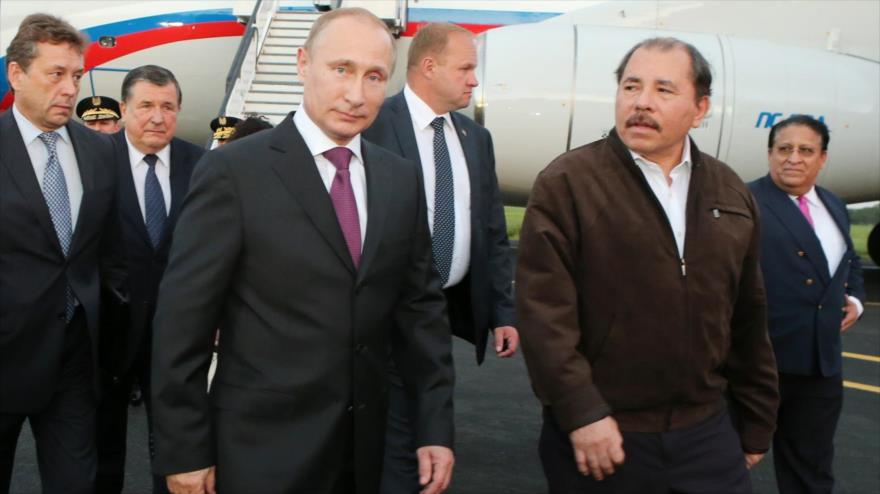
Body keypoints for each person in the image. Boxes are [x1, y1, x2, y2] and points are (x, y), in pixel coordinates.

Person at [149, 8, 455, 494]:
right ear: (302, 63)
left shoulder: (399, 179)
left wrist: (435, 427)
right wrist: (184, 449)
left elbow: (421, 310)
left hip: (361, 452)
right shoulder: (233, 173)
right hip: (257, 453)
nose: (356, 94)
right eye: (341, 69)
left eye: (374, 76)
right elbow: (181, 324)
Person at [515, 37, 779, 493]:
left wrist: (756, 421)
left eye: (663, 90)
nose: (641, 102)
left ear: (700, 109)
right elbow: (544, 317)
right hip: (604, 437)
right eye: (631, 86)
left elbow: (748, 315)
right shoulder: (568, 184)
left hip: (707, 436)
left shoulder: (730, 191)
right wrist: (582, 413)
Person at [363, 22, 517, 492]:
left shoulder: (475, 137)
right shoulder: (374, 124)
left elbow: (490, 228)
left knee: (422, 417)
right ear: (429, 66)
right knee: (378, 424)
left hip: (441, 310)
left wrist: (502, 310)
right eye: (466, 68)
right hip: (377, 313)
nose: (474, 80)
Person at [0, 13, 126, 493]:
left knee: (77, 483)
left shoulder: (99, 151)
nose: (71, 88)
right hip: (4, 356)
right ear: (17, 74)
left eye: (76, 74)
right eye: (56, 74)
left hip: (74, 360)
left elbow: (110, 252)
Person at [95, 65, 205, 494]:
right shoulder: (95, 161)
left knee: (175, 450)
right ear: (123, 109)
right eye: (145, 106)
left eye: (168, 107)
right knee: (102, 451)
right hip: (107, 334)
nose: (157, 117)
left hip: (176, 336)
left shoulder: (203, 166)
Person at [748, 115, 865, 494]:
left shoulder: (833, 204)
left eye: (805, 150)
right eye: (784, 149)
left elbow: (850, 261)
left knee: (811, 472)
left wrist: (856, 300)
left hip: (820, 368)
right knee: (723, 466)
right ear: (770, 154)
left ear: (822, 158)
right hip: (758, 365)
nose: (793, 158)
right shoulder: (745, 202)